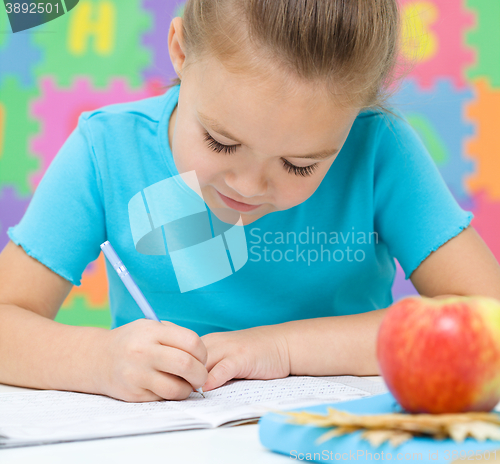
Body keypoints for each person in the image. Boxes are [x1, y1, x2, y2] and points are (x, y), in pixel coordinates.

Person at [1, 0, 499, 403]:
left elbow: (489, 316)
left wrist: (279, 348)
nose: (249, 186)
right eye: (220, 142)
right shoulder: (106, 149)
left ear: (357, 113)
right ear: (179, 50)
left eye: (300, 165)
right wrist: (100, 360)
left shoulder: (379, 149)